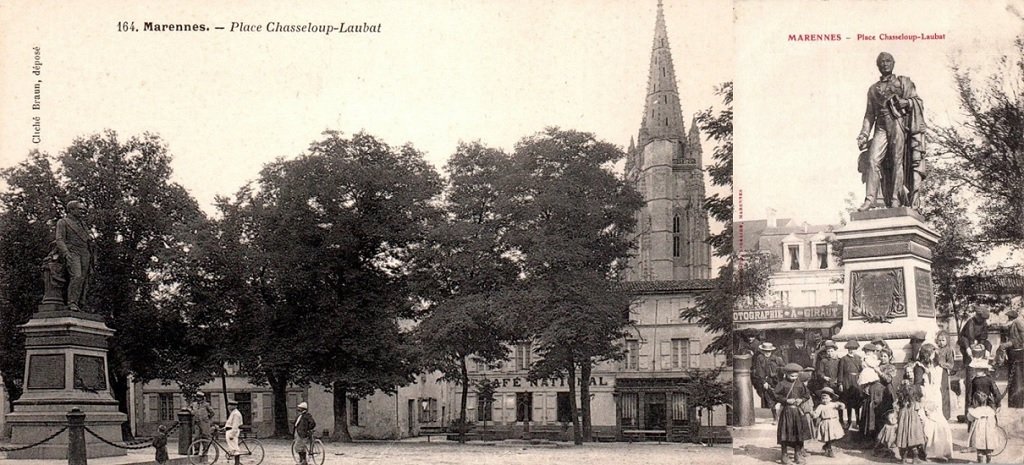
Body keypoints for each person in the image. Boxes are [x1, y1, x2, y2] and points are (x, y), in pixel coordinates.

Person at [855, 52, 926, 210]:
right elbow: (869, 114)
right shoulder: (873, 89)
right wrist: (864, 134)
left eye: (888, 61)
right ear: (877, 65)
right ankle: (870, 199)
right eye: (881, 62)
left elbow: (917, 101)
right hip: (880, 126)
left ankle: (895, 199)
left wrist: (905, 102)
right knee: (873, 160)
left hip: (897, 123)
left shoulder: (903, 83)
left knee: (896, 161)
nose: (885, 64)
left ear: (893, 63)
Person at [52, 200, 95, 312]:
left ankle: (81, 302)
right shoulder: (63, 222)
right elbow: (59, 239)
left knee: (85, 279)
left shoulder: (83, 225)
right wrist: (66, 252)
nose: (83, 212)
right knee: (77, 276)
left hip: (85, 252)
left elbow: (88, 240)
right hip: (72, 251)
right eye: (80, 209)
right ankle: (72, 302)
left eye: (83, 210)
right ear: (71, 210)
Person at [914, 344, 954, 461]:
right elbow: (917, 385)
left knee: (940, 423)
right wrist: (923, 401)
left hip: (936, 396)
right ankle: (929, 452)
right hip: (926, 397)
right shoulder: (919, 367)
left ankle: (941, 451)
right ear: (928, 354)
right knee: (929, 423)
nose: (935, 354)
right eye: (933, 352)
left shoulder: (935, 366)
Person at [774, 363, 813, 465]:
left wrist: (801, 399)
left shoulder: (800, 384)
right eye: (792, 376)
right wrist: (786, 400)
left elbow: (807, 395)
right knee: (785, 433)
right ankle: (784, 455)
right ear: (786, 374)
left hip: (798, 412)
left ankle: (797, 454)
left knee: (798, 433)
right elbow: (776, 396)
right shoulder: (782, 384)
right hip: (787, 412)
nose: (794, 378)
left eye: (796, 376)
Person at [960, 305, 991, 416]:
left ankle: (982, 410)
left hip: (979, 354)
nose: (982, 321)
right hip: (969, 355)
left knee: (981, 384)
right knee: (970, 385)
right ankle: (968, 413)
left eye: (984, 319)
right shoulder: (970, 323)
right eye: (981, 318)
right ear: (977, 315)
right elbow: (965, 338)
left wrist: (982, 345)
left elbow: (984, 337)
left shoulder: (983, 323)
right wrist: (969, 348)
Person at [895, 380, 927, 464]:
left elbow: (896, 408)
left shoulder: (901, 404)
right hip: (913, 422)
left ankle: (903, 459)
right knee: (914, 438)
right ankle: (915, 458)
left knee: (903, 438)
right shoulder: (914, 404)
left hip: (903, 423)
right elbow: (920, 408)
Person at [753, 342, 785, 423]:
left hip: (777, 381)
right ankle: (775, 418)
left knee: (780, 398)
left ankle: (782, 417)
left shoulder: (776, 358)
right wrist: (763, 382)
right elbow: (759, 371)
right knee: (770, 400)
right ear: (762, 351)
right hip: (767, 382)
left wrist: (781, 374)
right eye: (765, 351)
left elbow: (783, 368)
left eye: (769, 351)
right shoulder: (760, 358)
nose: (767, 353)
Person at [967, 390, 1001, 464]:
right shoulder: (990, 410)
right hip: (989, 432)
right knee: (988, 448)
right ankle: (989, 460)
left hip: (979, 432)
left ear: (975, 402)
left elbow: (969, 418)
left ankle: (980, 461)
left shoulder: (975, 411)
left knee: (980, 449)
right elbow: (994, 420)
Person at [1000, 308, 1024, 407]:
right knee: (1013, 379)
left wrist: (1013, 343)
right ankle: (1013, 402)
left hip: (1017, 350)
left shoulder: (1017, 323)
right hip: (1012, 351)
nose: (1008, 319)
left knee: (1017, 379)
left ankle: (1018, 403)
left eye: (1009, 317)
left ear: (1012, 318)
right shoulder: (1009, 324)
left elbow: (1022, 336)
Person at [812, 387, 846, 458]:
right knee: (828, 437)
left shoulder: (833, 404)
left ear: (830, 398)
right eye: (822, 398)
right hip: (825, 422)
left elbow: (841, 407)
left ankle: (826, 445)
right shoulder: (820, 406)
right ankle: (829, 450)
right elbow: (816, 414)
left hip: (834, 422)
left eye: (826, 398)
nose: (824, 400)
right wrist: (812, 414)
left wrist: (840, 404)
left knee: (836, 436)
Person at [838, 340, 863, 430]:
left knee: (857, 403)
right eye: (849, 349)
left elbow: (862, 371)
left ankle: (858, 422)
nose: (851, 351)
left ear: (856, 349)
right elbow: (840, 372)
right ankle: (848, 422)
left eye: (853, 349)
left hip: (856, 381)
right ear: (847, 349)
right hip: (847, 381)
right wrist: (840, 383)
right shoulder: (843, 359)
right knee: (849, 403)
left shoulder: (859, 358)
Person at [935, 332, 957, 419]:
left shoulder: (948, 350)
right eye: (939, 340)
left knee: (943, 392)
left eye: (943, 340)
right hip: (935, 372)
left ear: (947, 341)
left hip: (943, 372)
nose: (941, 342)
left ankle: (945, 415)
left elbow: (951, 365)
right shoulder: (935, 349)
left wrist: (942, 364)